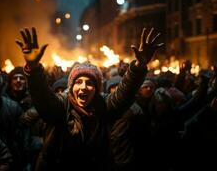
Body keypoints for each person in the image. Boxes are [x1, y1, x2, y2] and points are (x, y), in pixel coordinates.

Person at [15, 27, 164, 171]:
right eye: (78, 82)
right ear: (71, 87)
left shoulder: (104, 105)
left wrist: (139, 66)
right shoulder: (61, 105)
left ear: (97, 89)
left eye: (90, 83)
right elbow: (43, 99)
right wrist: (33, 69)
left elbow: (124, 93)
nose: (84, 87)